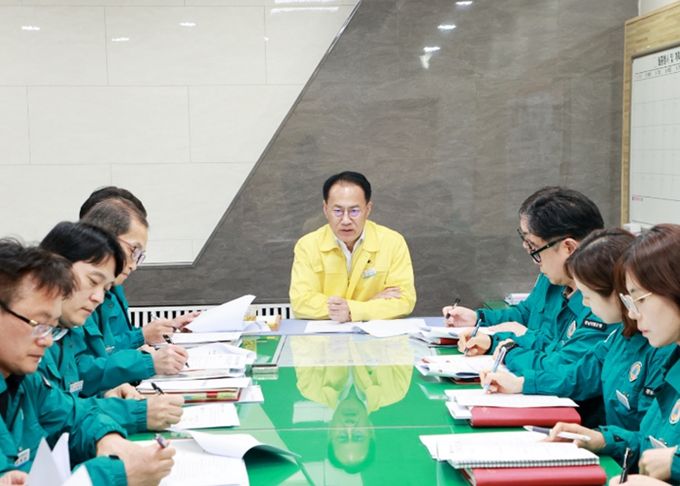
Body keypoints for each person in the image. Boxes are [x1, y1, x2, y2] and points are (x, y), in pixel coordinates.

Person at [0, 239, 174, 484]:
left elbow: (76, 416)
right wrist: (116, 474)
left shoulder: (25, 382)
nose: (47, 341)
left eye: (51, 328)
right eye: (38, 324)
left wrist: (107, 438)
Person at [480, 228, 674, 432]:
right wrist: (522, 383)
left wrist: (603, 440)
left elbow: (649, 440)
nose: (585, 304)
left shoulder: (660, 349)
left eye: (587, 296)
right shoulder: (621, 336)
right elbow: (579, 374)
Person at [549, 224, 680, 484]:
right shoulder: (673, 362)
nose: (632, 313)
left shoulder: (660, 354)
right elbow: (651, 442)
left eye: (640, 299)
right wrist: (602, 439)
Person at [446, 187, 610, 374]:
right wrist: (479, 319)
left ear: (569, 248)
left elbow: (562, 365)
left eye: (535, 248)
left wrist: (512, 343)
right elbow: (526, 314)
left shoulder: (602, 303)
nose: (535, 261)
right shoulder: (553, 278)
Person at [40, 221, 184, 433]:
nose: (98, 297)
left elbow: (70, 393)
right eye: (92, 281)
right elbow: (49, 414)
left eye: (105, 288)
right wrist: (133, 413)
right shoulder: (29, 335)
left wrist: (107, 392)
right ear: (54, 269)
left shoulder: (65, 328)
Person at [72, 198, 189, 396]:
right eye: (134, 251)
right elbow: (80, 374)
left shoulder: (109, 290)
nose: (134, 265)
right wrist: (143, 354)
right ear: (104, 239)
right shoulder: (69, 297)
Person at [289, 171, 416, 322]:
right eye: (338, 211)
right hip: (325, 334)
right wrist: (363, 307)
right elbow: (301, 302)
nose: (346, 220)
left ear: (368, 209)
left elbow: (404, 301)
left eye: (354, 211)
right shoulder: (307, 245)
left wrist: (351, 311)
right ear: (325, 209)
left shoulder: (393, 242)